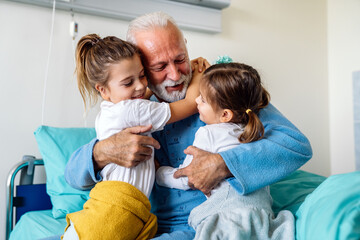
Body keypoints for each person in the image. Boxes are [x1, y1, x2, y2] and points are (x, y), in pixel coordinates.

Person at [65, 12, 312, 239]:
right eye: (159, 67)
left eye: (180, 59)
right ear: (142, 69)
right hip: (157, 229)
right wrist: (102, 152)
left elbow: (294, 144)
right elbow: (72, 177)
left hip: (219, 222)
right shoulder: (132, 108)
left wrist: (225, 164)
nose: (175, 74)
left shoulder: (222, 92)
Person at [62, 33, 206, 239]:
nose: (140, 86)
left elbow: (141, 97)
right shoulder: (136, 111)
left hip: (110, 205)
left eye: (142, 75)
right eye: (128, 82)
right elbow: (191, 104)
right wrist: (198, 73)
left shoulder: (110, 110)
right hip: (117, 208)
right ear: (103, 90)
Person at [156, 62, 295, 239]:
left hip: (228, 217)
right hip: (261, 214)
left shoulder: (208, 134)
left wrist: (159, 173)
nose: (196, 101)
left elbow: (188, 177)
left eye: (203, 99)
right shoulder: (253, 130)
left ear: (225, 115)